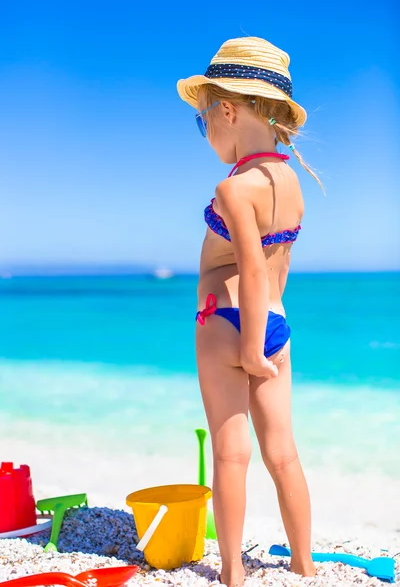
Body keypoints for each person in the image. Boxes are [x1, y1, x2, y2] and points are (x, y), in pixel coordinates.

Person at [177, 37, 321, 587]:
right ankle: (304, 564)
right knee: (283, 454)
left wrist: (245, 348)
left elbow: (251, 270)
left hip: (227, 321)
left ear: (228, 111)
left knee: (231, 455)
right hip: (277, 326)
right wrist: (264, 348)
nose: (207, 133)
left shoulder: (233, 186)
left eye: (203, 120)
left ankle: (233, 571)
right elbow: (275, 270)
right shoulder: (290, 183)